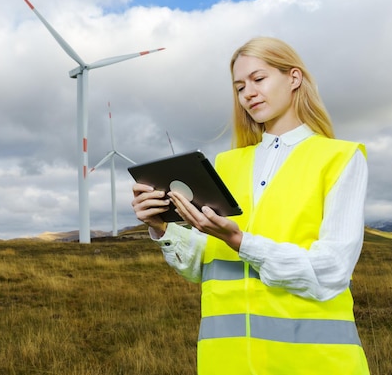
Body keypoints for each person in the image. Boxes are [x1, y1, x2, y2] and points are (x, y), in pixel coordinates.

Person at [131, 37, 371, 374]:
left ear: (294, 78)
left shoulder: (340, 158)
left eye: (259, 79)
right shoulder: (227, 164)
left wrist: (240, 241)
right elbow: (205, 264)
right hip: (226, 364)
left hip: (313, 363)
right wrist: (161, 227)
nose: (248, 93)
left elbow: (331, 270)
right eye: (240, 87)